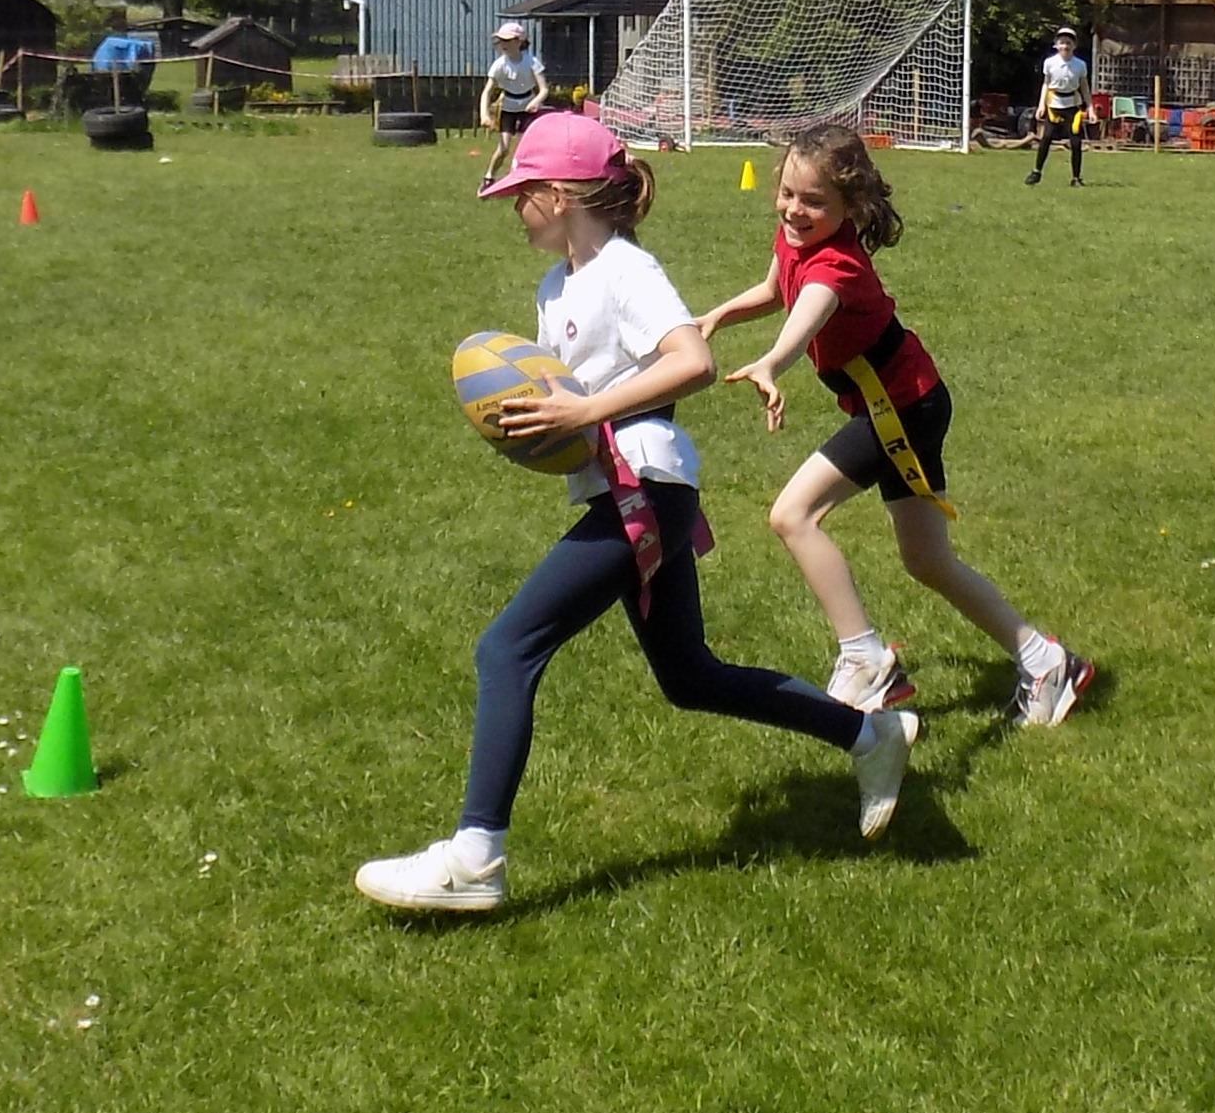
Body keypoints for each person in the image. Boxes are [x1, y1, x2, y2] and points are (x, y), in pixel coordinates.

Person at [356, 112, 915, 914]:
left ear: (560, 196)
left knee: (506, 648)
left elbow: (693, 361)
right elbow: (575, 402)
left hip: (644, 491)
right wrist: (544, 430)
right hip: (623, 490)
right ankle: (870, 735)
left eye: (522, 194)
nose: (515, 208)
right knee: (689, 676)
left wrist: (584, 415)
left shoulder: (625, 269)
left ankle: (476, 859)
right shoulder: (556, 287)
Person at [697, 120, 1093, 726]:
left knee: (792, 515)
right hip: (910, 401)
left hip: (900, 408)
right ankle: (1046, 663)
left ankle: (864, 658)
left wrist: (773, 362)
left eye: (813, 201)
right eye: (788, 194)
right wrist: (716, 317)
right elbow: (778, 291)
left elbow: (807, 313)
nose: (795, 210)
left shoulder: (837, 267)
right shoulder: (796, 239)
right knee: (927, 559)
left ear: (850, 206)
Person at [474, 20, 549, 184]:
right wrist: (484, 115)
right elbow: (487, 92)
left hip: (528, 109)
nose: (503, 44)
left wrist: (536, 101)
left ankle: (529, 178)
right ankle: (489, 177)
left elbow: (544, 89)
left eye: (507, 40)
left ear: (519, 41)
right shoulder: (499, 65)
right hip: (508, 109)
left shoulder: (531, 62)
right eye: (501, 40)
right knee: (504, 148)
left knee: (528, 148)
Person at [1026, 27, 1091, 186]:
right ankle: (1036, 172)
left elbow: (1084, 87)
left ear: (1074, 45)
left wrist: (1090, 107)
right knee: (1046, 138)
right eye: (1062, 43)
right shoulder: (1050, 63)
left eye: (1069, 43)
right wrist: (1041, 105)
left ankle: (1076, 178)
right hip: (1054, 105)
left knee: (1075, 142)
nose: (1065, 46)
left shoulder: (1080, 65)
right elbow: (1046, 84)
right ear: (1056, 44)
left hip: (1072, 107)